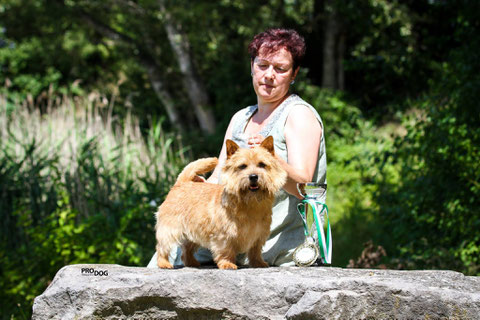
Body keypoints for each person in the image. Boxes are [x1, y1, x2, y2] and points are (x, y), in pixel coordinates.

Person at [147, 28, 326, 268]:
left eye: (280, 69)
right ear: (252, 66)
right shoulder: (241, 118)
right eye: (262, 65)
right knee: (164, 260)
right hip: (226, 236)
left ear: (294, 74)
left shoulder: (298, 115)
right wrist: (193, 192)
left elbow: (305, 185)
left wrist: (270, 160)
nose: (269, 75)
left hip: (276, 246)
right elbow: (220, 176)